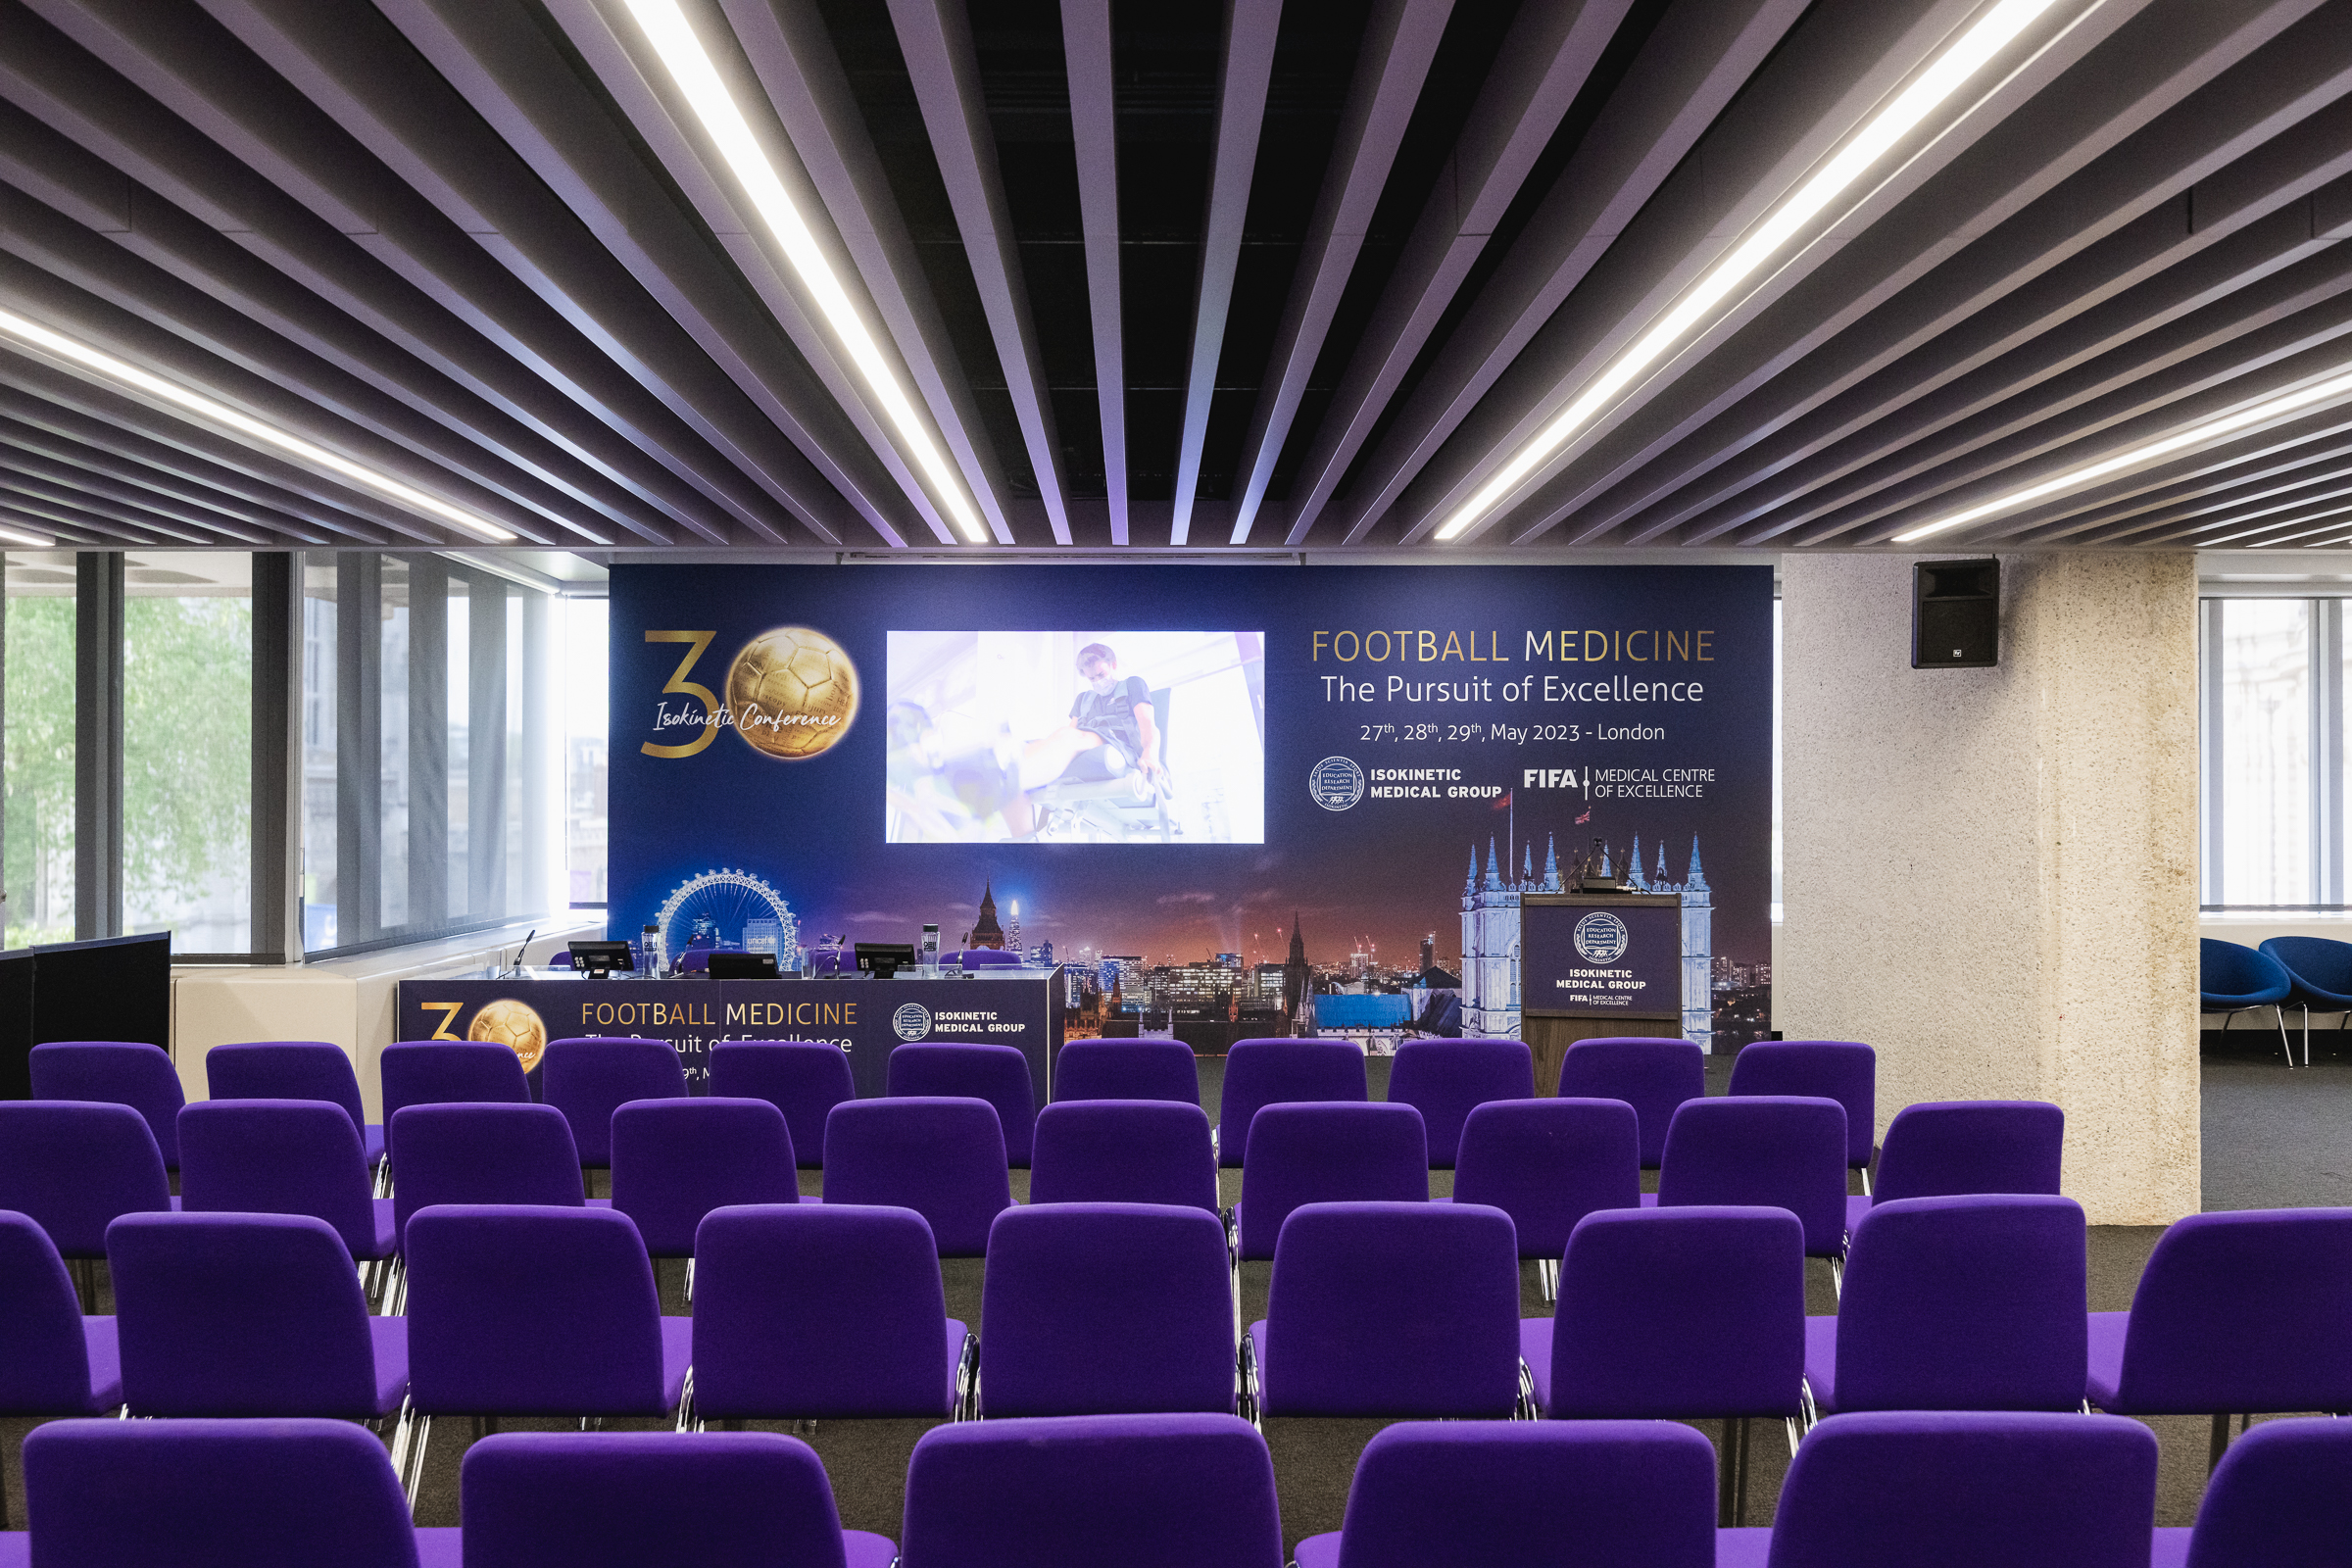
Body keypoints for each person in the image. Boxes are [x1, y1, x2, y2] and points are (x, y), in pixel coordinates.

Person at [1017, 642, 1163, 797]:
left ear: (1113, 664)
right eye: (1092, 678)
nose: (1097, 681)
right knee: (1059, 735)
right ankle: (1011, 765)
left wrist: (1150, 753)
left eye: (1101, 675)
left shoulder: (1132, 684)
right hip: (1083, 740)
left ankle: (1021, 778)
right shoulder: (1083, 699)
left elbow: (1148, 725)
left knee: (1069, 736)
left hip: (1119, 746)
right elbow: (1069, 732)